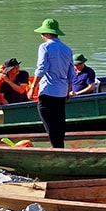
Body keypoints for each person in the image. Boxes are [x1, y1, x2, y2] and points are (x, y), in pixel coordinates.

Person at [33, 19, 75, 148]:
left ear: (46, 34)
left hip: (48, 90)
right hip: (61, 92)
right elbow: (71, 72)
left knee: (49, 123)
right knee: (59, 122)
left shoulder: (45, 47)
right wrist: (68, 90)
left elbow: (41, 68)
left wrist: (33, 87)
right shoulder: (67, 49)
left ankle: (56, 149)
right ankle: (59, 147)